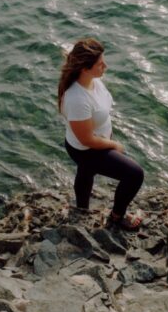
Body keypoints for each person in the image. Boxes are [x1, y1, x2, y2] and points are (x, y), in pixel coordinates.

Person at [57, 38, 145, 230]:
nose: (106, 65)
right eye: (100, 64)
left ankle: (81, 209)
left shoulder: (93, 81)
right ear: (85, 69)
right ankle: (117, 216)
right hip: (86, 149)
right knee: (135, 174)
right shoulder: (77, 99)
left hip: (95, 142)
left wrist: (108, 137)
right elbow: (86, 139)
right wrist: (114, 145)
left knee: (86, 171)